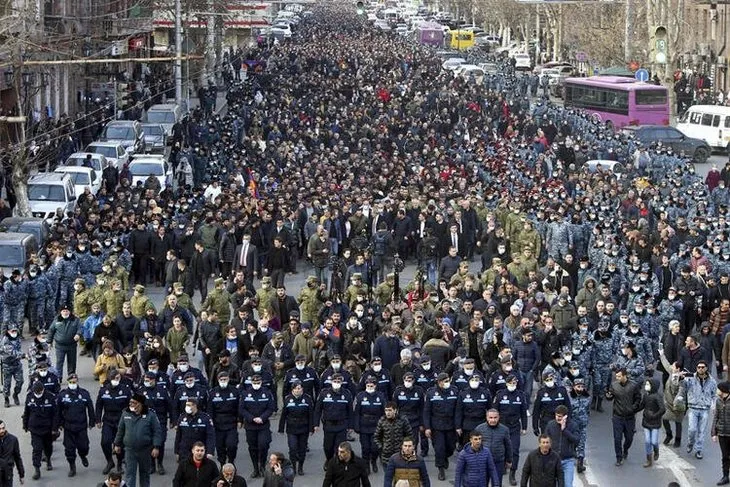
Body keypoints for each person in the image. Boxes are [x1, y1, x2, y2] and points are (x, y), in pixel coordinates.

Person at [113, 392, 163, 487]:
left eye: (133, 402)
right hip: (130, 450)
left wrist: (156, 447)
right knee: (130, 475)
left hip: (145, 450)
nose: (130, 404)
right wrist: (117, 444)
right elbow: (120, 430)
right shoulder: (126, 413)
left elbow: (157, 431)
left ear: (140, 404)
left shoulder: (150, 415)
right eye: (130, 402)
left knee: (144, 474)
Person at [54, 373, 95, 477]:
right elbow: (58, 411)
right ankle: (72, 466)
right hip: (68, 426)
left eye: (75, 382)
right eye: (71, 382)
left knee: (84, 447)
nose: (73, 384)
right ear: (68, 382)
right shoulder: (62, 395)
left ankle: (83, 455)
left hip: (81, 426)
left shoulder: (84, 393)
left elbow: (90, 408)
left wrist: (92, 421)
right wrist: (58, 424)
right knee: (69, 449)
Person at [681, 359, 718, 459]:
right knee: (692, 429)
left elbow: (714, 395)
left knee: (701, 431)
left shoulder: (712, 381)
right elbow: (683, 387)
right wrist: (681, 378)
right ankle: (690, 443)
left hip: (705, 408)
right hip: (693, 407)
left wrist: (714, 405)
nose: (700, 369)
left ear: (706, 368)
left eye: (702, 367)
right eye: (698, 367)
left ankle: (699, 450)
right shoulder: (691, 378)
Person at [605, 368, 642, 466]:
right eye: (616, 376)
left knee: (629, 438)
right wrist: (608, 396)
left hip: (629, 417)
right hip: (617, 416)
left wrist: (633, 408)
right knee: (617, 438)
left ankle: (625, 449)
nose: (617, 378)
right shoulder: (614, 385)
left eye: (619, 376)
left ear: (625, 376)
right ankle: (619, 457)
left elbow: (638, 398)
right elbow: (610, 397)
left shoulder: (633, 385)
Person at [278, 380, 314, 475]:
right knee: (292, 448)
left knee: (302, 449)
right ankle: (293, 467)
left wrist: (311, 428)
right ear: (292, 390)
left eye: (299, 388)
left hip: (303, 427)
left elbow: (311, 415)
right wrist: (281, 428)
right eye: (296, 389)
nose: (298, 390)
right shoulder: (288, 399)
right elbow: (283, 415)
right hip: (292, 428)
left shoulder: (307, 399)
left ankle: (300, 467)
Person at [22, 381, 56, 479]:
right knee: (37, 449)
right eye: (35, 392)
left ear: (43, 390)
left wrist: (54, 427)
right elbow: (26, 412)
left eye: (39, 392)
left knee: (48, 447)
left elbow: (55, 414)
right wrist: (25, 425)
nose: (37, 394)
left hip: (47, 428)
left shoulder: (50, 397)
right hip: (35, 428)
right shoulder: (30, 397)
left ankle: (48, 459)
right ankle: (37, 469)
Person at [545, 405, 578, 487]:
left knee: (567, 485)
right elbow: (545, 441)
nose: (557, 418)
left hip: (568, 461)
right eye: (556, 415)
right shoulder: (550, 425)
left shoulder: (573, 425)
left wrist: (564, 430)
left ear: (565, 416)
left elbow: (576, 440)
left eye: (560, 416)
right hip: (553, 461)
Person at [47, 304, 82, 378]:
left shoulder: (75, 320)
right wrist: (49, 342)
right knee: (59, 362)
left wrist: (78, 334)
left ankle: (71, 376)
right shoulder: (56, 320)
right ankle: (58, 377)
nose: (65, 313)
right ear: (61, 312)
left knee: (72, 362)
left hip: (71, 345)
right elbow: (51, 330)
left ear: (70, 312)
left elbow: (80, 328)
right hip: (60, 346)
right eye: (63, 311)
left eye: (67, 311)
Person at [640, 378, 665, 468]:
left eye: (648, 384)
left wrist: (654, 416)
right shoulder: (646, 396)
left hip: (655, 422)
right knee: (647, 441)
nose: (646, 386)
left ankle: (656, 450)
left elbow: (662, 409)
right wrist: (632, 409)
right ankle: (648, 459)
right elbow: (642, 405)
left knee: (654, 441)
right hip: (646, 421)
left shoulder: (658, 396)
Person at [712, 381, 730, 485]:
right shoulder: (718, 401)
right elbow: (716, 417)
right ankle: (725, 476)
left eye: (718, 389)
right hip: (722, 434)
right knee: (724, 456)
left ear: (723, 390)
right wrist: (714, 433)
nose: (717, 391)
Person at [0, 420, 24, 486]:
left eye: (3, 428)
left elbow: (17, 457)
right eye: (0, 429)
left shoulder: (13, 440)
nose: (2, 431)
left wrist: (21, 474)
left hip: (8, 472)